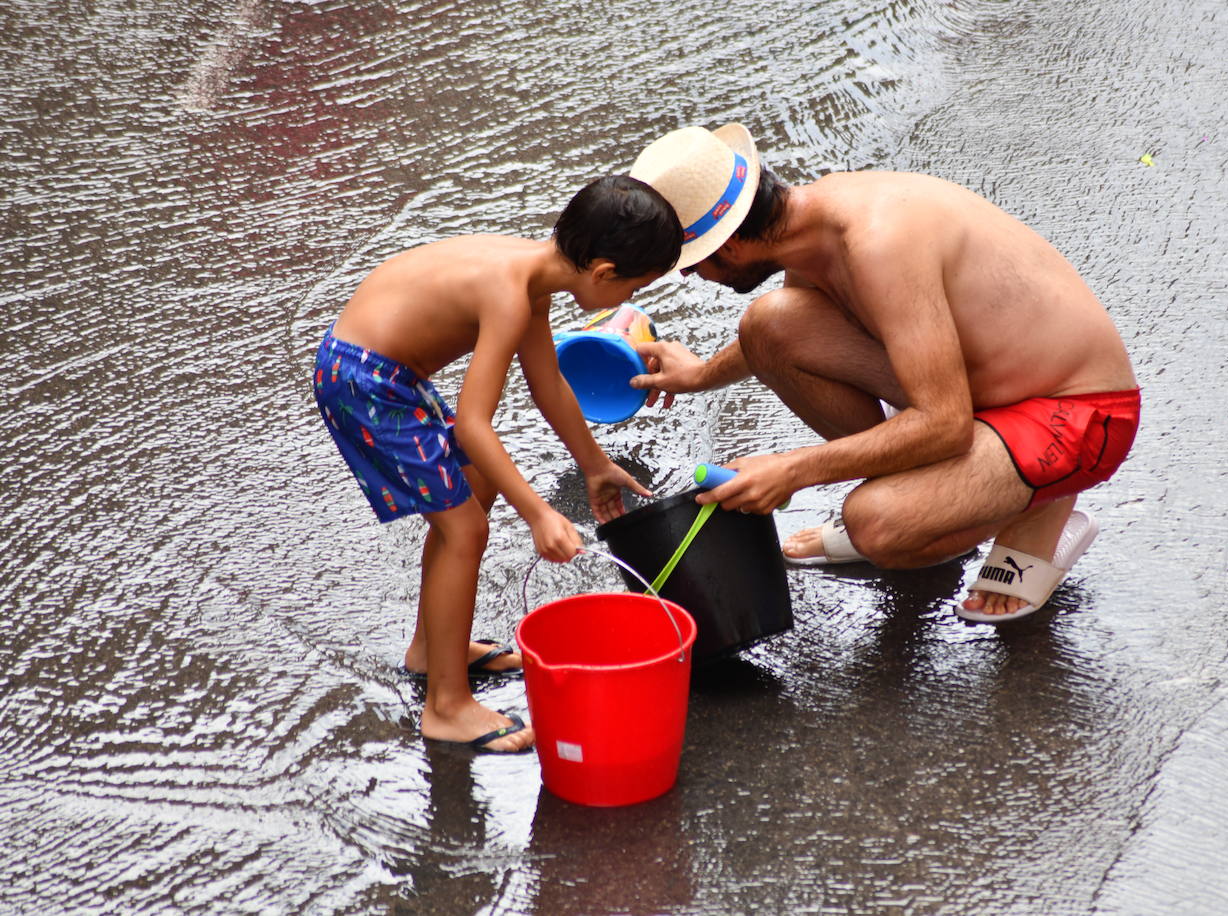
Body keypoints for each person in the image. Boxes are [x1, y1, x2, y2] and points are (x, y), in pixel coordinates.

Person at [626, 124, 1140, 624]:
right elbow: (785, 336)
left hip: (1076, 412)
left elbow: (944, 423)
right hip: (980, 390)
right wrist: (698, 375)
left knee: (877, 524)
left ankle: (1035, 509)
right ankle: (946, 497)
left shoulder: (877, 244)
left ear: (730, 247)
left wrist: (791, 469)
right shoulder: (811, 222)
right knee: (769, 325)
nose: (694, 277)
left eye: (693, 264)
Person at [313, 175, 678, 751]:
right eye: (639, 285)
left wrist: (594, 463)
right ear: (604, 273)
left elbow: (548, 381)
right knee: (466, 528)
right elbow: (475, 422)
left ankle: (433, 652)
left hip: (385, 373)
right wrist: (537, 514)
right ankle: (447, 707)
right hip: (364, 382)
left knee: (475, 482)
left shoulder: (531, 274)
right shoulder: (509, 293)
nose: (631, 302)